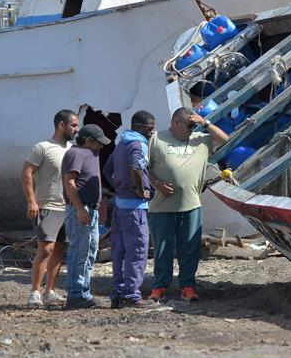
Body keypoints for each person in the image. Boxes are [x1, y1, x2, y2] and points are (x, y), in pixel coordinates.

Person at [148, 108, 227, 302]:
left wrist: (205, 123)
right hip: (162, 206)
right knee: (162, 248)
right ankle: (159, 286)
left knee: (190, 248)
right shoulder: (157, 139)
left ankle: (188, 286)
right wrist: (157, 184)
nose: (192, 129)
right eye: (189, 125)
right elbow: (143, 168)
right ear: (176, 123)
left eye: (194, 126)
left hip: (191, 205)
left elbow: (225, 139)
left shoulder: (201, 138)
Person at [21, 109, 79, 307]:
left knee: (60, 249)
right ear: (61, 125)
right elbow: (27, 172)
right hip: (47, 205)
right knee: (46, 248)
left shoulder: (73, 148)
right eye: (73, 125)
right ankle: (34, 292)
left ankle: (49, 291)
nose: (76, 129)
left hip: (68, 206)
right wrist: (31, 200)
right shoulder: (43, 147)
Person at [103, 111, 159, 309]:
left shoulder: (122, 143)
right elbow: (136, 166)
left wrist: (119, 187)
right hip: (135, 208)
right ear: (141, 127)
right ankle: (132, 295)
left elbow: (107, 169)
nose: (153, 132)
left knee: (119, 251)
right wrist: (138, 188)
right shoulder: (138, 144)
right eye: (151, 129)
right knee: (137, 250)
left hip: (120, 206)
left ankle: (117, 293)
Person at [61, 124, 110, 309]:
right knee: (80, 252)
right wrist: (80, 208)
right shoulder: (76, 154)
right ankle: (76, 295)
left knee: (88, 252)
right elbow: (69, 182)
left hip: (89, 208)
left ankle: (82, 292)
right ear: (88, 141)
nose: (101, 147)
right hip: (81, 209)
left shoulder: (89, 153)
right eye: (98, 143)